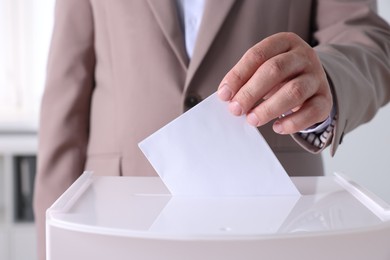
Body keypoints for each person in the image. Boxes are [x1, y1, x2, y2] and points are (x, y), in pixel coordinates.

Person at [33, 0, 390, 259]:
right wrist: (50, 246)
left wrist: (323, 78)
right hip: (115, 223)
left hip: (275, 224)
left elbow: (369, 40)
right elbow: (67, 92)